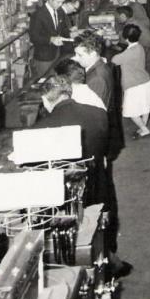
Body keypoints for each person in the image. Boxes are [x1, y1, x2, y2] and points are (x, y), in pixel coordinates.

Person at [31, 74, 131, 278]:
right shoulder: (98, 113)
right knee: (102, 223)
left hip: (68, 192)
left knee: (79, 234)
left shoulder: (42, 127)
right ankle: (109, 260)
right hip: (99, 180)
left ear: (46, 99)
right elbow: (107, 147)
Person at [72, 30, 123, 159]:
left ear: (93, 54)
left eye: (79, 55)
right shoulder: (100, 65)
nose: (75, 58)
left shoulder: (96, 79)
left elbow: (92, 113)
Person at [114, 0, 150, 113]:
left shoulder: (136, 7)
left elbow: (145, 25)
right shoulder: (120, 9)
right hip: (137, 49)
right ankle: (143, 108)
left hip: (146, 49)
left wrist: (128, 26)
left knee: (148, 80)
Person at [111, 23, 150, 139]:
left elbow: (114, 60)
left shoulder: (128, 52)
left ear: (125, 38)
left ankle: (145, 130)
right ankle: (142, 127)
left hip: (133, 86)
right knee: (145, 108)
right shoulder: (140, 47)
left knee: (131, 111)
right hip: (145, 82)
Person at [29, 0, 71, 81]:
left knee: (56, 81)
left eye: (62, 2)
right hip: (44, 58)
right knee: (45, 83)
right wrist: (51, 39)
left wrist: (70, 33)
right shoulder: (38, 15)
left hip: (57, 54)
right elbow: (34, 37)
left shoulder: (59, 12)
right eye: (58, 2)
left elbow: (62, 29)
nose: (60, 5)